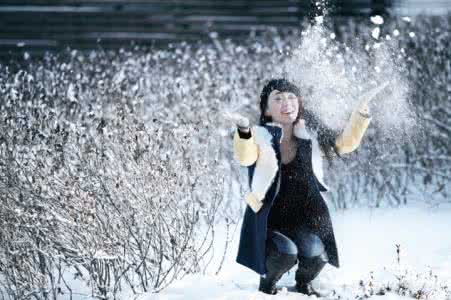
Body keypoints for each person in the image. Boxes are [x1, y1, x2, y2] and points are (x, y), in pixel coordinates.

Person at [225, 78, 373, 295]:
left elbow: (344, 143)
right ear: (266, 110)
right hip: (269, 222)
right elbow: (245, 157)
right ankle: (266, 288)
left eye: (291, 97)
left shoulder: (309, 136)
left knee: (317, 255)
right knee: (285, 253)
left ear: (300, 103)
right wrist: (244, 131)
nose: (287, 102)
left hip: (303, 219)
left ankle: (303, 287)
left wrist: (360, 115)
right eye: (278, 98)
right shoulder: (260, 136)